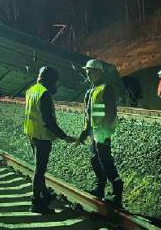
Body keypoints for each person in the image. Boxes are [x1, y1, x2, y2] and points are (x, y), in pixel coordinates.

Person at [23, 66, 76, 214]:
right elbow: (48, 121)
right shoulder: (44, 94)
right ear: (49, 79)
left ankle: (45, 194)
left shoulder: (31, 90)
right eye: (54, 81)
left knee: (39, 166)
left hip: (32, 133)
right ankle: (35, 202)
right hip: (42, 136)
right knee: (40, 169)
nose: (55, 84)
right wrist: (64, 136)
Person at [78, 59, 123, 208]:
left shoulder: (106, 88)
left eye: (90, 71)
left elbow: (111, 112)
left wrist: (104, 131)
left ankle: (117, 193)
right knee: (94, 159)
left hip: (102, 132)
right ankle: (100, 188)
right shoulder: (90, 91)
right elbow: (88, 114)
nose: (87, 74)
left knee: (105, 160)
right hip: (92, 132)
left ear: (98, 72)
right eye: (87, 71)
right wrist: (85, 132)